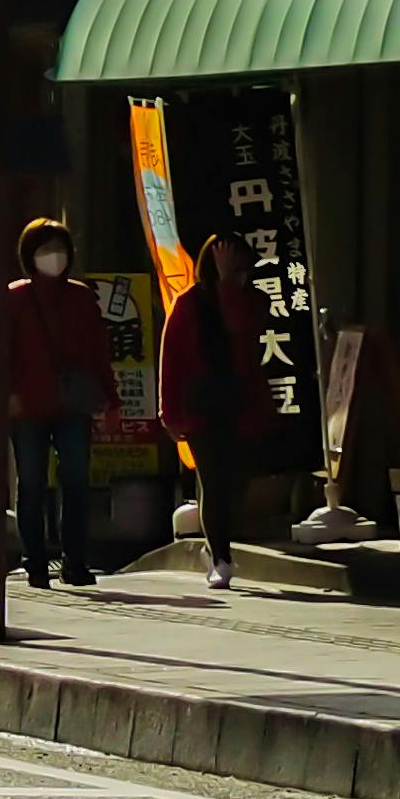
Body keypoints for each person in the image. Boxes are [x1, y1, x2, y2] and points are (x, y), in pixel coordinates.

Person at [4, 217, 116, 592]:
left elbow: (99, 349)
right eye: (45, 250)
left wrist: (108, 395)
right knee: (32, 484)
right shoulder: (16, 297)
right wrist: (10, 393)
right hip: (30, 404)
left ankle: (75, 561)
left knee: (76, 481)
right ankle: (35, 562)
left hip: (73, 403)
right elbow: (5, 351)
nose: (54, 257)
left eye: (60, 250)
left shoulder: (81, 296)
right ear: (29, 255)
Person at [156, 230, 272, 591]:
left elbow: (241, 325)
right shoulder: (189, 303)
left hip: (242, 405)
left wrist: (228, 286)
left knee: (236, 484)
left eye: (239, 260)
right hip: (202, 406)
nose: (236, 267)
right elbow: (171, 359)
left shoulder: (253, 300)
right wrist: (168, 413)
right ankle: (221, 557)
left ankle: (216, 546)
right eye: (227, 260)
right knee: (214, 482)